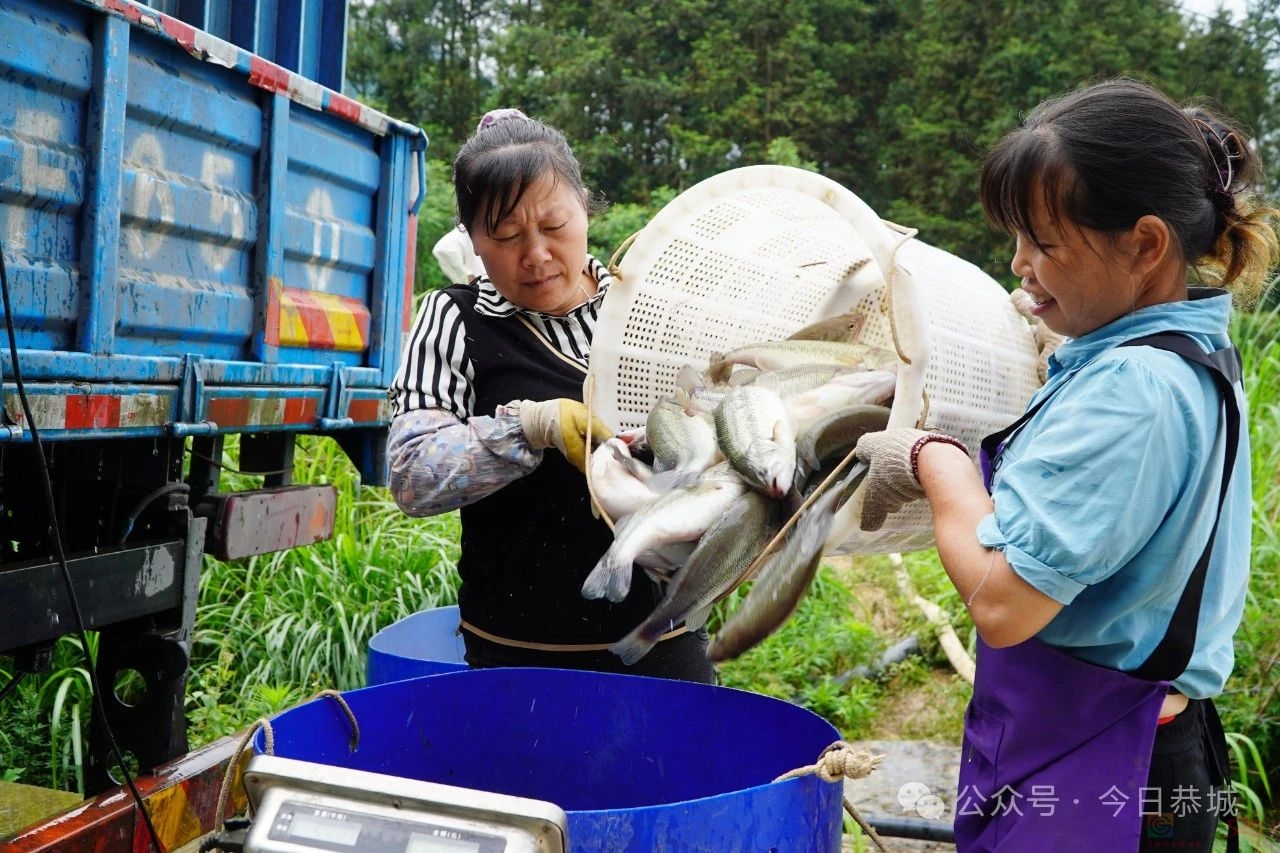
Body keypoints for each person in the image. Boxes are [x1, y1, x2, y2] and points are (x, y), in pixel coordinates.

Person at [854, 78, 1278, 851]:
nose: (1020, 264)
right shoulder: (1177, 351)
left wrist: (932, 456)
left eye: (1046, 245)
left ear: (1145, 245)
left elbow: (1003, 599)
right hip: (1131, 750)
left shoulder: (1135, 391)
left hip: (1114, 769)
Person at [386, 109, 716, 683]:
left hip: (664, 644)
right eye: (507, 236)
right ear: (472, 240)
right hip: (514, 657)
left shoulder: (649, 314)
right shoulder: (455, 320)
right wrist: (528, 428)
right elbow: (413, 475)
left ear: (585, 208)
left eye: (554, 225)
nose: (535, 254)